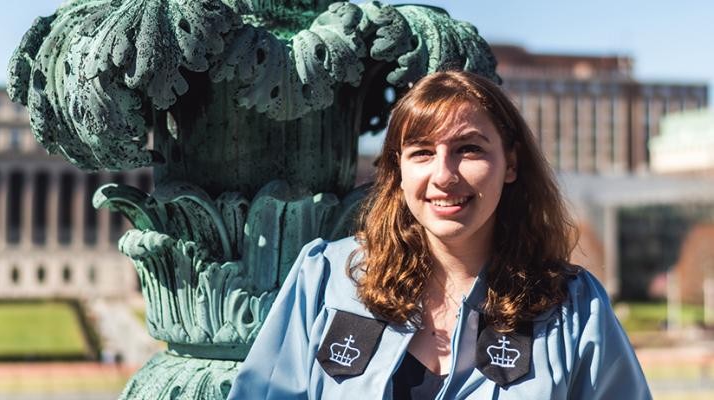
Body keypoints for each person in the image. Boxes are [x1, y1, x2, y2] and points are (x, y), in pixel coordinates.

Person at [227, 71, 651, 399]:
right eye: (422, 153)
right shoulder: (326, 280)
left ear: (512, 164)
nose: (443, 176)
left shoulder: (572, 307)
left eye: (470, 149)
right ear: (399, 169)